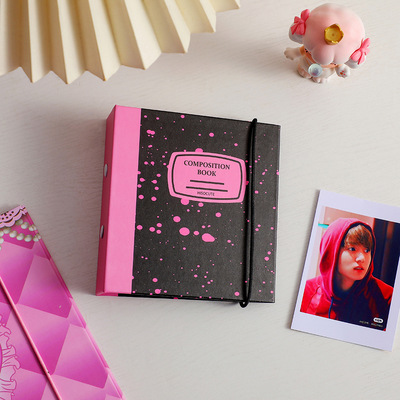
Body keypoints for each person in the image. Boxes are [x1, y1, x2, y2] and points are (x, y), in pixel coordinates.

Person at [301, 218, 393, 330]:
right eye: (352, 249)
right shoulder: (305, 291)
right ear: (331, 251)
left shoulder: (386, 297)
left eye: (367, 250)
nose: (362, 258)